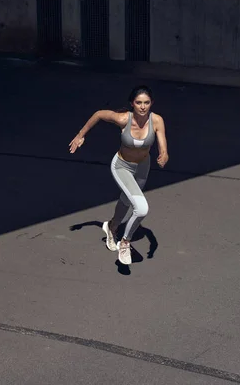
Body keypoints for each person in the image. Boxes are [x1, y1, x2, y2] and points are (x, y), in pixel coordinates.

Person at [69, 85, 168, 265]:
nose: (143, 107)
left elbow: (162, 145)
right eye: (139, 103)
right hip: (122, 166)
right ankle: (125, 242)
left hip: (142, 168)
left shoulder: (157, 121)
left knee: (127, 199)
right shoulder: (123, 119)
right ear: (132, 103)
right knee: (142, 208)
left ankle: (112, 227)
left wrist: (164, 154)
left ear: (151, 103)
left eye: (147, 103)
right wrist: (80, 135)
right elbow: (99, 114)